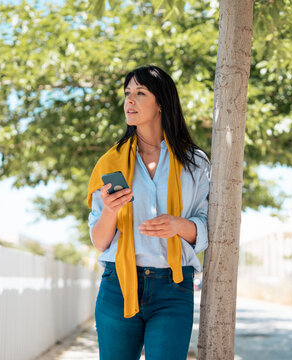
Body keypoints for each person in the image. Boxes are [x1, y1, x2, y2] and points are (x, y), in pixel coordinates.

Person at [87, 65, 210, 360]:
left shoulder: (196, 163)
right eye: (127, 93)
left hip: (174, 288)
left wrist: (179, 225)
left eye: (140, 93)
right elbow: (100, 241)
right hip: (118, 286)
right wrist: (110, 211)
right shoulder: (111, 162)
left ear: (161, 104)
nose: (129, 100)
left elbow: (207, 226)